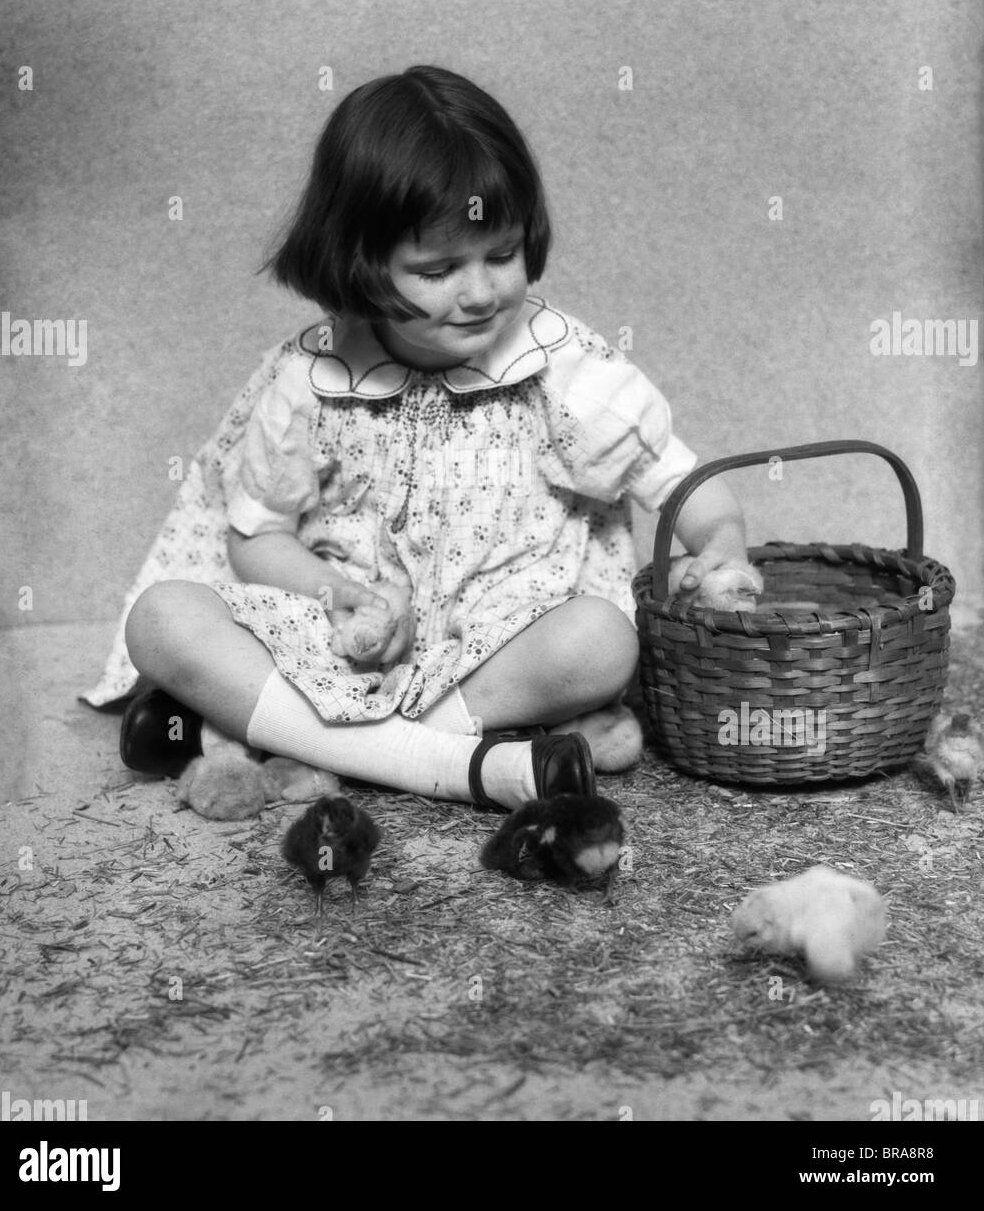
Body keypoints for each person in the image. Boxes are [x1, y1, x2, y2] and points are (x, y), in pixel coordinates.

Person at [91, 65, 749, 812]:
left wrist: (721, 540)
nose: (478, 292)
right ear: (360, 262)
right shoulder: (310, 379)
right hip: (341, 634)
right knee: (162, 617)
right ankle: (443, 764)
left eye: (500, 255)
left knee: (601, 642)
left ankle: (307, 738)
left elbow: (678, 479)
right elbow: (255, 541)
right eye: (436, 269)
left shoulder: (559, 364)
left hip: (499, 640)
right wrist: (339, 596)